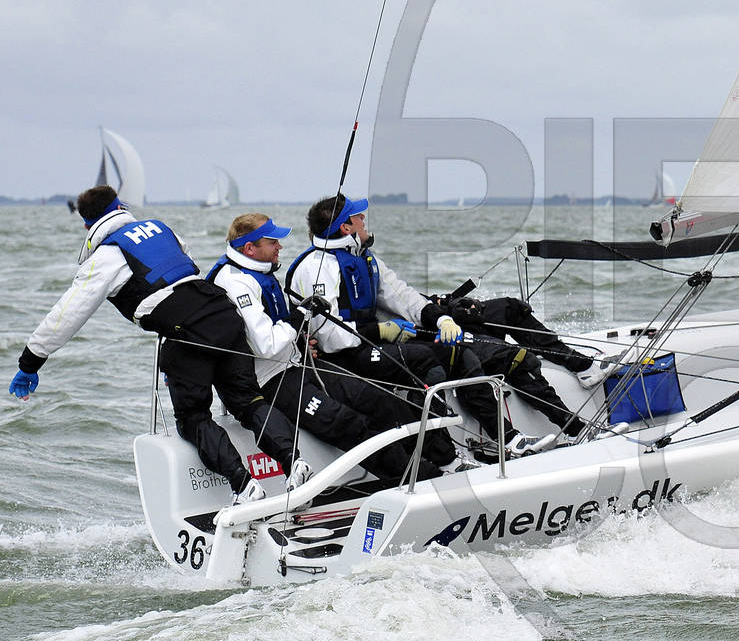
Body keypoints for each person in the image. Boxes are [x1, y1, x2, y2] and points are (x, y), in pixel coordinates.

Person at [9, 185, 297, 500]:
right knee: (249, 402)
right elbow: (185, 271)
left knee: (193, 418)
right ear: (120, 208)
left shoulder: (105, 257)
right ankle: (295, 463)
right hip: (223, 312)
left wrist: (30, 362)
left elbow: (67, 314)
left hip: (187, 335)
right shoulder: (161, 228)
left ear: (87, 225)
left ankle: (244, 487)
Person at [286, 195, 590, 450]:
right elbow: (330, 337)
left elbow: (404, 297)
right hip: (344, 358)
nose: (364, 220)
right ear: (346, 227)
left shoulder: (365, 259)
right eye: (358, 217)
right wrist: (382, 330)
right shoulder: (316, 268)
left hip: (373, 344)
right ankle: (462, 448)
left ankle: (525, 435)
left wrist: (442, 318)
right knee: (445, 358)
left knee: (473, 351)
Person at [207, 213, 434, 483]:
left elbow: (278, 328)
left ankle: (437, 460)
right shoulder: (234, 282)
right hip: (270, 381)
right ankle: (415, 477)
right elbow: (267, 344)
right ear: (249, 248)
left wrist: (302, 337)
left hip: (296, 364)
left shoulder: (259, 271)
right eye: (273, 242)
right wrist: (300, 315)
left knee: (374, 398)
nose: (280, 246)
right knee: (346, 422)